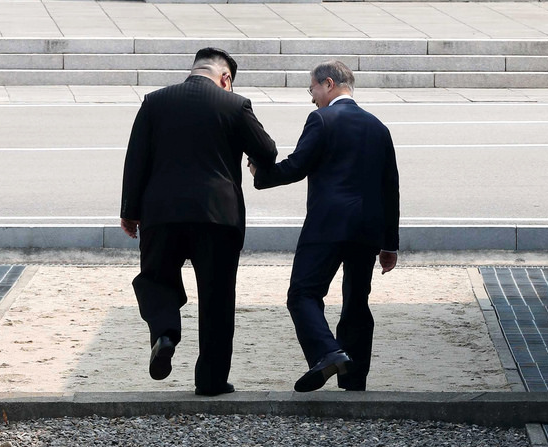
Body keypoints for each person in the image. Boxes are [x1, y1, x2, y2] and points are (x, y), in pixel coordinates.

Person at [120, 47, 278, 396]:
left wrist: (129, 211)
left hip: (161, 214)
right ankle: (211, 381)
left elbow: (136, 159)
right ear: (225, 78)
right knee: (217, 298)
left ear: (194, 70)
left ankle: (164, 332)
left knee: (155, 279)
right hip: (218, 217)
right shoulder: (234, 105)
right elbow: (267, 151)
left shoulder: (154, 102)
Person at [250, 60, 400, 393]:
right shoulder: (378, 126)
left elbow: (298, 165)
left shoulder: (321, 118)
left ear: (328, 84)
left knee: (303, 293)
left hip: (328, 223)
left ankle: (328, 352)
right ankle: (353, 378)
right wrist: (390, 244)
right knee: (356, 301)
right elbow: (391, 187)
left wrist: (262, 174)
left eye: (312, 89)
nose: (312, 97)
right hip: (368, 229)